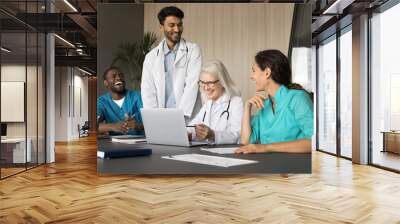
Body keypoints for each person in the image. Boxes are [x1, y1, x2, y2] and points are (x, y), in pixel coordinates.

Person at [236, 49, 313, 154]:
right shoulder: (265, 104)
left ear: (267, 73)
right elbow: (246, 141)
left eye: (254, 71)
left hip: (294, 166)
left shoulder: (298, 98)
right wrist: (247, 107)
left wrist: (266, 147)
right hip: (269, 165)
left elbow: (313, 143)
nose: (251, 76)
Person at [141, 6, 202, 120]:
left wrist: (180, 116)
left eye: (179, 24)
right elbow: (148, 90)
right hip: (161, 117)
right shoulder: (151, 57)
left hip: (187, 116)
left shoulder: (193, 50)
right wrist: (153, 118)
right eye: (172, 25)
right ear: (161, 27)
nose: (177, 29)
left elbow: (192, 84)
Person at [188, 60, 243, 144]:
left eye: (210, 83)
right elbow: (192, 126)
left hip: (227, 154)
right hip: (207, 152)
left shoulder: (236, 102)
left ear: (222, 82)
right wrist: (188, 133)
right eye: (202, 82)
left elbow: (238, 135)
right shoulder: (208, 103)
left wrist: (213, 135)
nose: (206, 88)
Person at [97, 66, 144, 136]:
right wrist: (112, 126)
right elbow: (92, 126)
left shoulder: (137, 97)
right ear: (106, 83)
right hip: (114, 145)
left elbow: (153, 123)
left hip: (140, 143)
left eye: (121, 75)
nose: (119, 78)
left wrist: (138, 126)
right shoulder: (102, 101)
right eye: (113, 76)